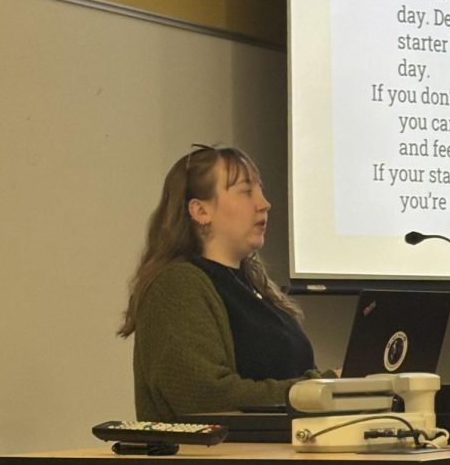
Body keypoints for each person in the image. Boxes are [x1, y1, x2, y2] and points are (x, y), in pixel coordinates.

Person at [120, 143, 329, 420]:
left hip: (282, 456)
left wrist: (331, 385)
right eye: (246, 191)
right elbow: (204, 396)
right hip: (220, 459)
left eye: (260, 190)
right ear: (200, 211)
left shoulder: (258, 290)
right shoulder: (176, 286)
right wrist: (317, 389)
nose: (264, 203)